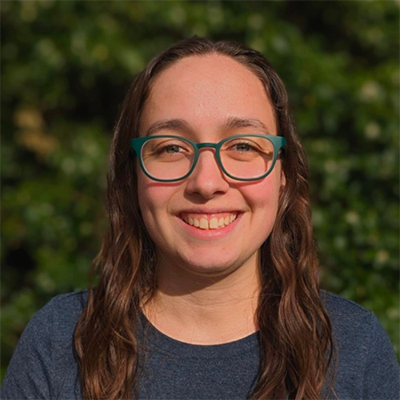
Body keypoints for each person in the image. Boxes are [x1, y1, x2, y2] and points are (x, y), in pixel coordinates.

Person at [1, 37, 399, 400]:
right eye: (172, 147)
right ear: (132, 175)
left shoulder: (352, 347)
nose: (207, 182)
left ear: (284, 175)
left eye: (243, 145)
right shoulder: (62, 342)